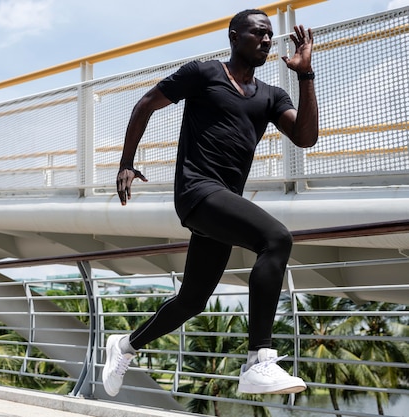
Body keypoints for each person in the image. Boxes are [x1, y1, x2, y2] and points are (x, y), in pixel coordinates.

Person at [103, 9, 319, 397]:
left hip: (223, 201)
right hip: (196, 191)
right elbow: (145, 105)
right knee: (276, 239)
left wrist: (305, 75)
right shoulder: (204, 74)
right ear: (235, 36)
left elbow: (305, 138)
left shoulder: (271, 96)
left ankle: (125, 346)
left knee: (192, 300)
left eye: (270, 35)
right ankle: (259, 359)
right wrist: (126, 163)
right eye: (258, 33)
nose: (267, 40)